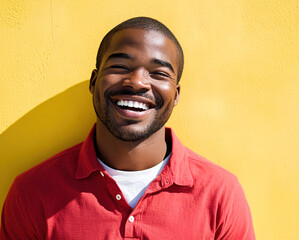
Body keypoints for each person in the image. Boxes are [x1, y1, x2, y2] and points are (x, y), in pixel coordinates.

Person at [1, 17, 255, 239]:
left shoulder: (220, 194)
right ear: (94, 81)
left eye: (159, 73)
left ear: (176, 95)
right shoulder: (33, 192)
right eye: (121, 67)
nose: (137, 82)